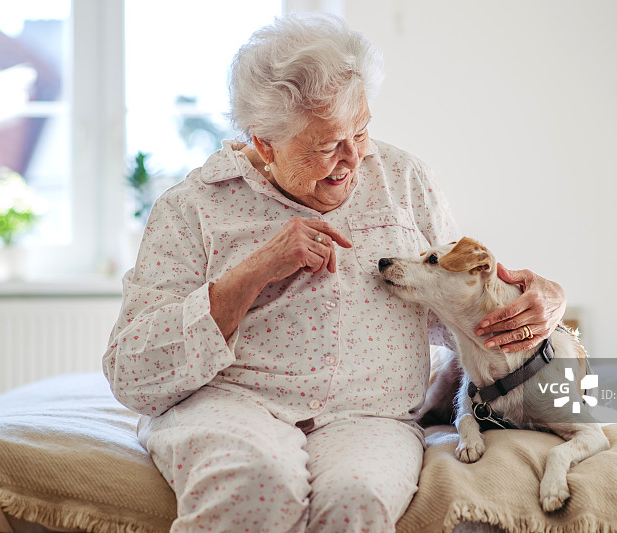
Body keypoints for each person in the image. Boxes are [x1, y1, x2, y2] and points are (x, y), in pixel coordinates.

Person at [103, 12, 566, 533]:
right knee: (256, 482)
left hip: (369, 416)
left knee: (356, 500)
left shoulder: (405, 179)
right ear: (263, 143)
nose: (353, 159)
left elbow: (452, 314)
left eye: (361, 131)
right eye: (326, 146)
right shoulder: (193, 207)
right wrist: (252, 273)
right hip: (230, 405)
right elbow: (131, 373)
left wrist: (545, 303)